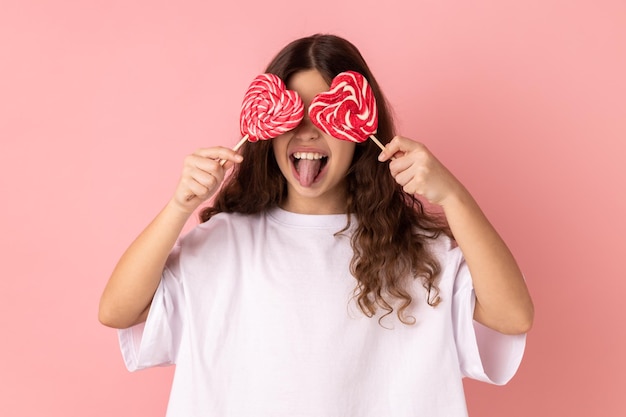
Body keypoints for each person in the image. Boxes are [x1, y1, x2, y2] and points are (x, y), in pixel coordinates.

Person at [99, 33, 534, 416]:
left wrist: (452, 195)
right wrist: (179, 206)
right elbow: (117, 311)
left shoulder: (418, 252)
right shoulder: (221, 245)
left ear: (362, 127)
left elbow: (512, 316)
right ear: (265, 126)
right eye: (292, 115)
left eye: (328, 112)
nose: (307, 131)